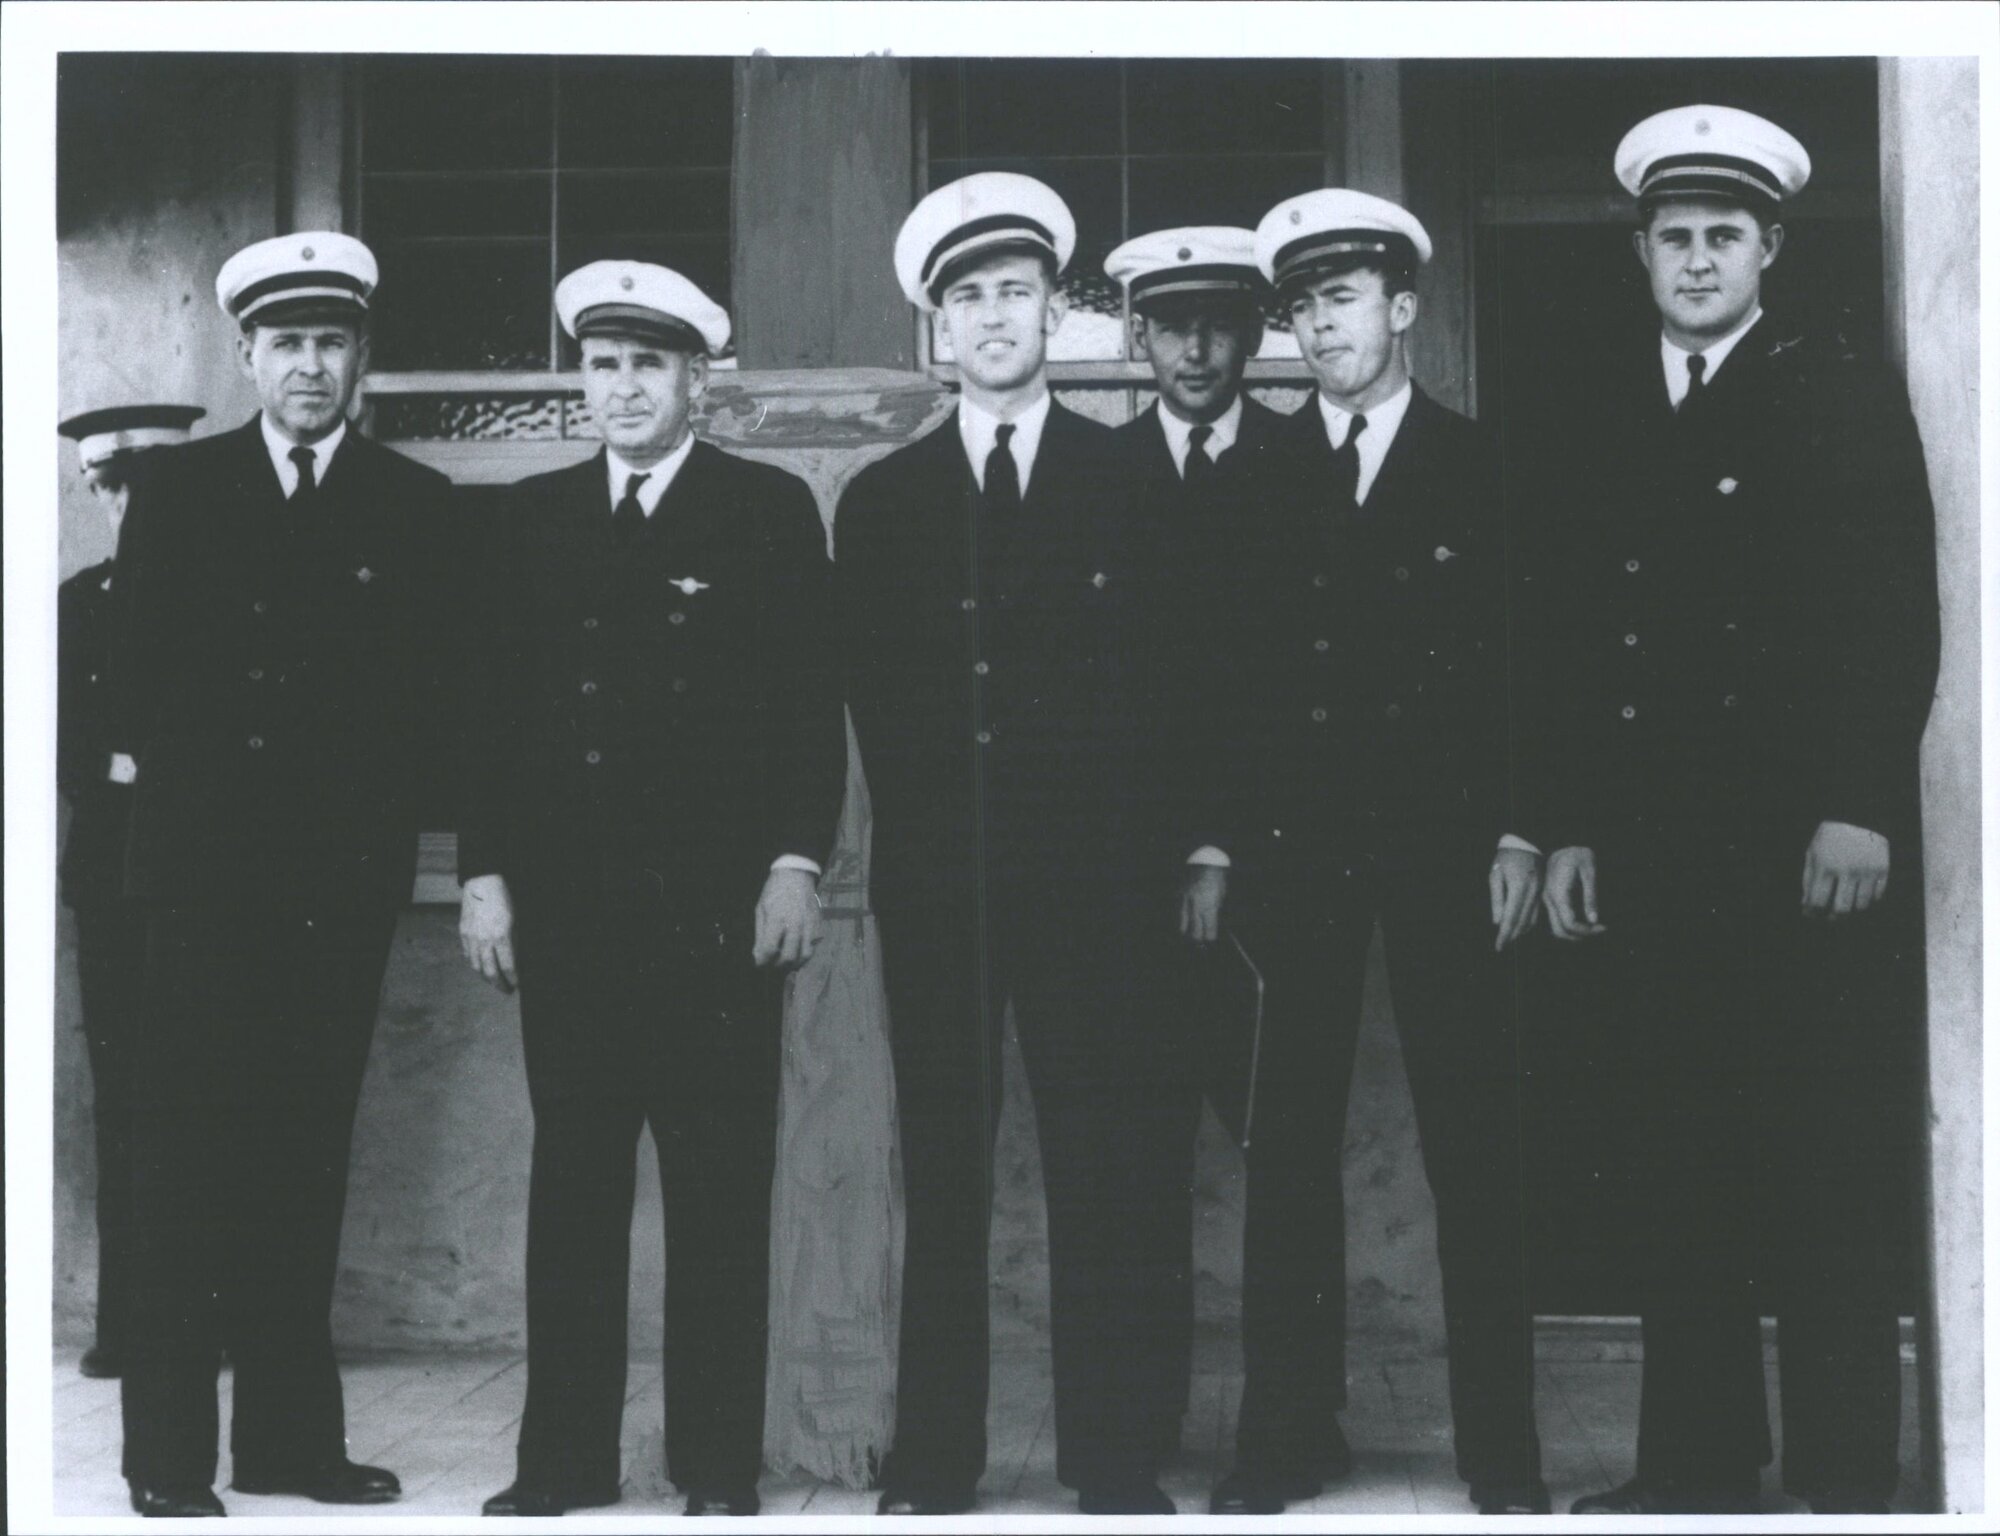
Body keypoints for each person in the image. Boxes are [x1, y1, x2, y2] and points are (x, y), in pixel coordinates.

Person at [1530, 106, 1939, 1517]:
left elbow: (1890, 613)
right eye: (1674, 236)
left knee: (1820, 1158)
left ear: (1770, 246)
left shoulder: (1833, 383)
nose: (1696, 258)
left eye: (1724, 235)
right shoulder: (1603, 397)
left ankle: (1840, 1480)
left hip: (1798, 849)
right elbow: (1579, 638)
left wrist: (1858, 803)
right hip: (1654, 851)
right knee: (1676, 1159)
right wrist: (1573, 819)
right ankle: (1693, 1467)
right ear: (1641, 249)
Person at [457, 261, 845, 1519]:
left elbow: (806, 706)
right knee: (572, 1194)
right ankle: (559, 1466)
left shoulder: (766, 510)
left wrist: (796, 863)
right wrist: (484, 876)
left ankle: (715, 1466)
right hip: (568, 917)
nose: (620, 389)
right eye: (603, 365)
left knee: (720, 1195)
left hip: (713, 917)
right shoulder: (528, 518)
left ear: (697, 382)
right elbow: (492, 722)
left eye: (648, 366)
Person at [1192, 188, 1547, 1517]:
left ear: (1404, 308)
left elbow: (1530, 669)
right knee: (1288, 1148)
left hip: (1454, 850)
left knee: (1477, 1143)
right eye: (1303, 305)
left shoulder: (1483, 464)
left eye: (1344, 298)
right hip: (1299, 854)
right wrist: (1223, 841)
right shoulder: (1259, 472)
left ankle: (1501, 1450)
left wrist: (1517, 827)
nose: (1321, 326)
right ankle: (1286, 1438)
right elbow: (1222, 682)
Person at [836, 172, 1187, 1517]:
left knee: (1101, 1169)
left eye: (1018, 291)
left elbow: (1169, 690)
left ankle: (1108, 1460)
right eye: (969, 296)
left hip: (1096, 892)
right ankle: (938, 1458)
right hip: (946, 893)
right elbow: (874, 701)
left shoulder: (1129, 477)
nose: (995, 316)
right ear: (939, 327)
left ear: (1060, 310)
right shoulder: (884, 500)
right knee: (946, 1170)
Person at [108, 233, 452, 1517]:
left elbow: (429, 702)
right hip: (202, 884)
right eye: (287, 343)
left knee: (304, 1162)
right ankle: (165, 1463)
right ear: (247, 356)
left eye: (332, 343)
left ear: (361, 358)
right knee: (184, 1167)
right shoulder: (179, 492)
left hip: (333, 888)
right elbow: (139, 681)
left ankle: (292, 1447)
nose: (310, 366)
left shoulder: (411, 504)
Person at [1100, 225, 1289, 1461]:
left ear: (1253, 333)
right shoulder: (1094, 473)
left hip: (1273, 872)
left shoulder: (1298, 461)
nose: (1196, 348)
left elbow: (1290, 678)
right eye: (1172, 325)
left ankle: (1289, 1424)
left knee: (1281, 1154)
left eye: (1219, 322)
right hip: (1121, 879)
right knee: (1132, 1156)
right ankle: (1140, 1418)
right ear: (1135, 338)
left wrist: (1225, 845)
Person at [57, 403, 205, 1382]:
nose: (131, 503)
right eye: (114, 485)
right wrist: (142, 769)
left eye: (153, 485)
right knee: (129, 1100)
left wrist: (141, 762)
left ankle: (219, 1319)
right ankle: (130, 1324)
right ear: (93, 491)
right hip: (114, 878)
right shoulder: (77, 603)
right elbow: (70, 747)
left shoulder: (226, 593)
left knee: (225, 1096)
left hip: (216, 871)